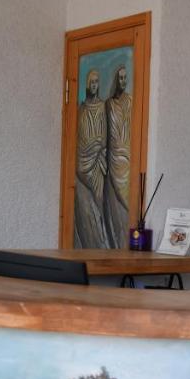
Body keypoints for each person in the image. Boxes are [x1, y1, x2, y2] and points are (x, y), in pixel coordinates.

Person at [74, 69, 110, 247]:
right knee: (85, 204)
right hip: (83, 160)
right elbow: (78, 136)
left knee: (99, 200)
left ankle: (102, 240)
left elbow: (104, 135)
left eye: (97, 82)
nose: (94, 85)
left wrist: (97, 147)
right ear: (88, 85)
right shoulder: (81, 109)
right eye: (92, 82)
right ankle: (88, 239)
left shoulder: (102, 106)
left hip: (97, 162)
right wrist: (88, 148)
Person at [104, 65, 132, 245]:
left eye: (125, 78)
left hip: (128, 160)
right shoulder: (109, 104)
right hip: (112, 159)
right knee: (114, 206)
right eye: (120, 78)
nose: (123, 81)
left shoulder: (131, 101)